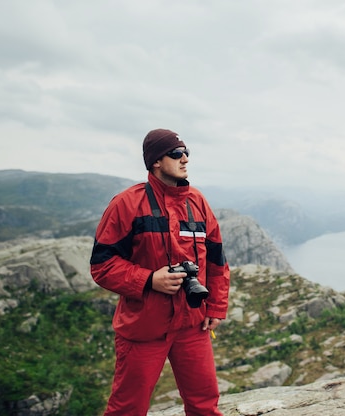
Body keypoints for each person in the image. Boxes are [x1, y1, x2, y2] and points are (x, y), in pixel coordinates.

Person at [90, 128, 230, 415]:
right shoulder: (126, 204)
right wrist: (150, 279)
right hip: (143, 327)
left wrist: (215, 306)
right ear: (155, 161)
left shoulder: (197, 202)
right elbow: (101, 265)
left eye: (186, 153)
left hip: (192, 323)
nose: (185, 159)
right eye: (176, 154)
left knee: (205, 403)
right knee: (127, 408)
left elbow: (216, 261)